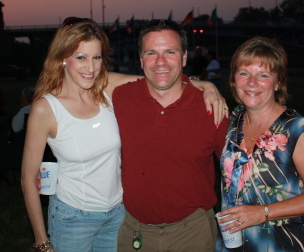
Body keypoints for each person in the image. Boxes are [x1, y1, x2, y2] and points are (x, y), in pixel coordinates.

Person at [21, 17, 226, 252]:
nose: (90, 67)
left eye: (96, 57)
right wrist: (42, 242)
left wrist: (203, 85)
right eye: (81, 57)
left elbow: (159, 78)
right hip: (73, 216)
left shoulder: (105, 90)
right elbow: (28, 178)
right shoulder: (45, 108)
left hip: (117, 215)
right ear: (62, 59)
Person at [113, 19, 230, 251]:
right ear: (141, 59)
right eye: (151, 53)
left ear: (184, 57)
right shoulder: (121, 98)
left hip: (192, 233)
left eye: (170, 52)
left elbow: (238, 173)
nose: (160, 62)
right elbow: (82, 79)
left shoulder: (212, 109)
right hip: (135, 233)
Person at [216, 36, 304, 251]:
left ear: (278, 81)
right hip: (233, 242)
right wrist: (203, 84)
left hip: (283, 242)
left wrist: (262, 212)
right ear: (234, 79)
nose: (252, 83)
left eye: (263, 75)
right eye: (244, 73)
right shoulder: (233, 121)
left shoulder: (297, 130)